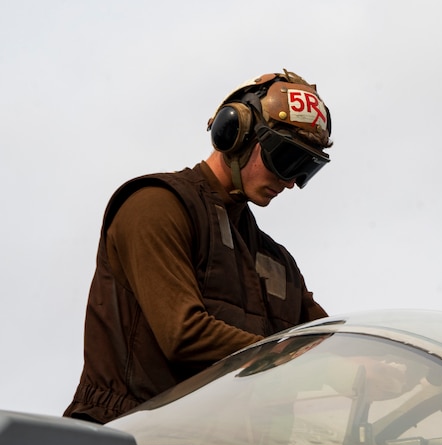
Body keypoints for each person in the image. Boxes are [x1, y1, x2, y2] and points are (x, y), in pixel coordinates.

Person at [63, 69, 332, 424]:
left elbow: (330, 349)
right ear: (234, 134)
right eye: (284, 159)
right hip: (124, 442)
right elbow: (183, 334)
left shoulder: (277, 262)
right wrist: (281, 357)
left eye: (305, 168)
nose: (290, 181)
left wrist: (376, 370)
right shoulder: (157, 205)